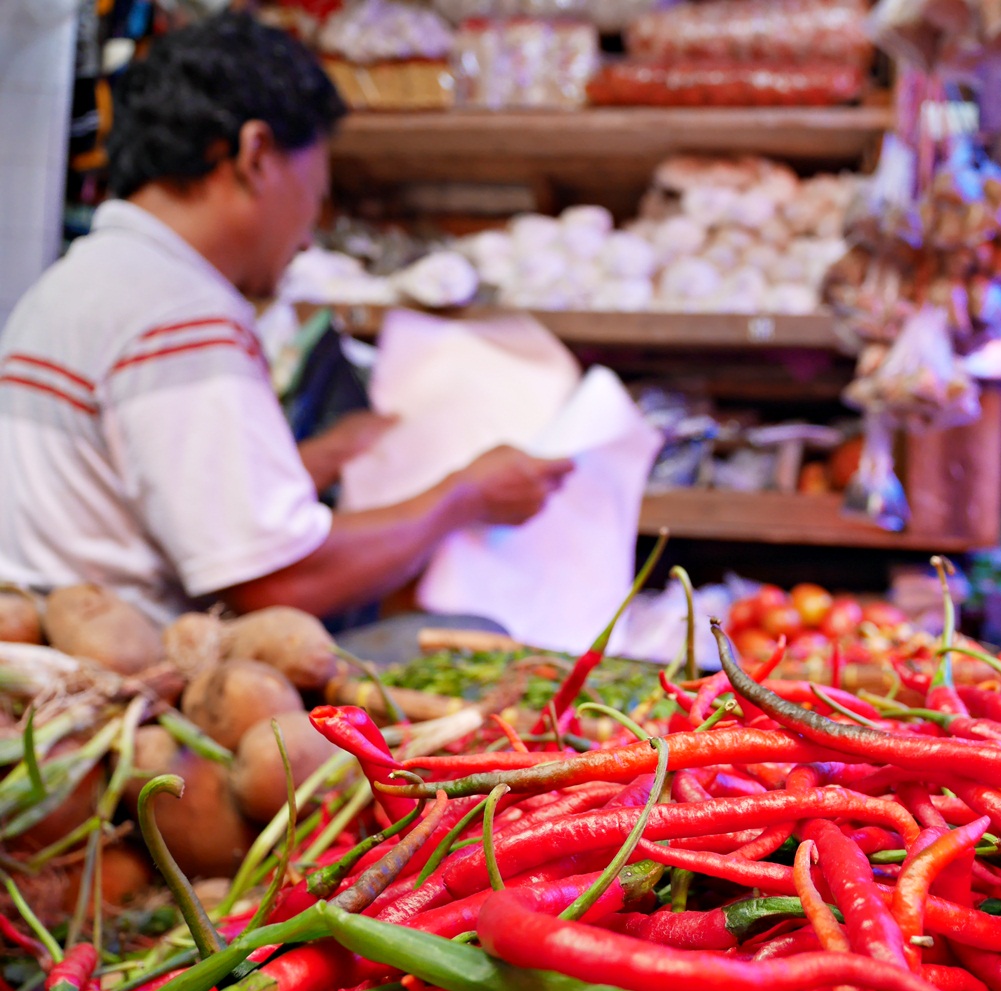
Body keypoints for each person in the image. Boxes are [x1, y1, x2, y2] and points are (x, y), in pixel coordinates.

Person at [0, 13, 572, 624]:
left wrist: (315, 459)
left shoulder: (83, 280)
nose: (306, 236)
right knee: (461, 632)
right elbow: (280, 585)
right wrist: (465, 496)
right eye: (315, 192)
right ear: (256, 155)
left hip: (59, 649)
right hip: (119, 676)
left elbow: (158, 495)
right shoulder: (178, 314)